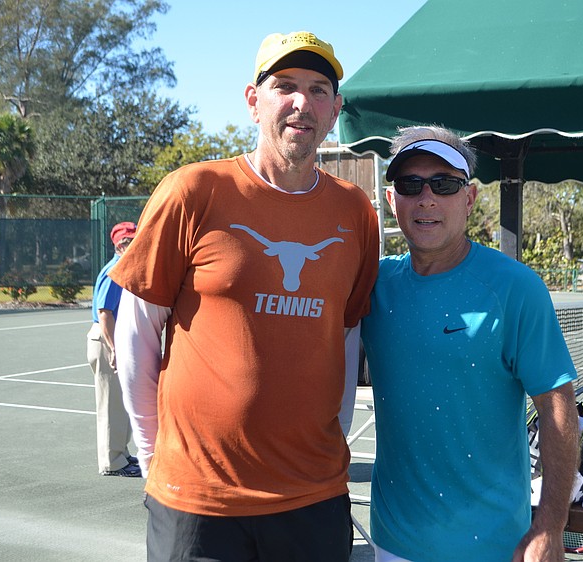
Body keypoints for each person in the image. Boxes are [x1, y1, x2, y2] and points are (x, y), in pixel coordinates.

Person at [109, 31, 379, 561]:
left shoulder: (355, 213)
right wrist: (153, 457)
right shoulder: (193, 191)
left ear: (335, 110)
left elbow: (346, 335)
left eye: (319, 89)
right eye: (285, 86)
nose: (303, 102)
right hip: (197, 502)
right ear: (254, 101)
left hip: (313, 496)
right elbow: (137, 333)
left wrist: (332, 438)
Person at [361, 125, 579, 562]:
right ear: (392, 201)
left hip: (494, 547)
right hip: (391, 545)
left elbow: (558, 412)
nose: (426, 199)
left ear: (469, 197)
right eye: (410, 184)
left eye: (443, 184)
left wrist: (551, 525)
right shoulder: (371, 285)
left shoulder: (516, 288)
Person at [86, 221, 140, 477]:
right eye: (127, 240)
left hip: (115, 339)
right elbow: (104, 312)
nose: (131, 244)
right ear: (118, 244)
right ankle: (112, 462)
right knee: (111, 404)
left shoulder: (125, 266)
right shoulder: (115, 269)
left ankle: (121, 453)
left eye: (134, 238)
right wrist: (114, 348)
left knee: (122, 401)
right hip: (106, 339)